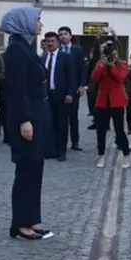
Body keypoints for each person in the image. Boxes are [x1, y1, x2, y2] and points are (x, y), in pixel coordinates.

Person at [0, 6, 54, 240]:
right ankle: (20, 223)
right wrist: (24, 120)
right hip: (26, 117)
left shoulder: (26, 47)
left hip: (36, 115)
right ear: (24, 22)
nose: (40, 24)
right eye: (38, 20)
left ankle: (32, 219)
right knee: (25, 171)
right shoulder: (16, 50)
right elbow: (17, 89)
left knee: (35, 170)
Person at [90, 39, 131, 169]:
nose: (111, 56)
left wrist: (112, 66)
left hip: (117, 101)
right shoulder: (100, 63)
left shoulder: (122, 64)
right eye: (109, 54)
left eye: (114, 54)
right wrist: (101, 65)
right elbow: (94, 78)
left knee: (119, 130)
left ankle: (126, 155)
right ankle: (101, 154)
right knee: (101, 130)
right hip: (102, 101)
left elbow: (120, 78)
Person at [42, 31, 76, 162]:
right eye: (48, 41)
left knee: (61, 123)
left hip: (61, 95)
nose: (50, 44)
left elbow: (71, 78)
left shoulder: (65, 57)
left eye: (52, 41)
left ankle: (62, 150)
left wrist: (69, 93)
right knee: (48, 123)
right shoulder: (43, 57)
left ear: (57, 42)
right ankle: (51, 149)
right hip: (46, 95)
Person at [58, 26, 86, 151]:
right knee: (60, 117)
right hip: (59, 88)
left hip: (74, 88)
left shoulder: (77, 50)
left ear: (70, 36)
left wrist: (81, 85)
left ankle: (75, 142)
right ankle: (59, 142)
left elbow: (82, 69)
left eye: (65, 34)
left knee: (73, 117)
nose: (63, 36)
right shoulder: (57, 50)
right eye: (61, 34)